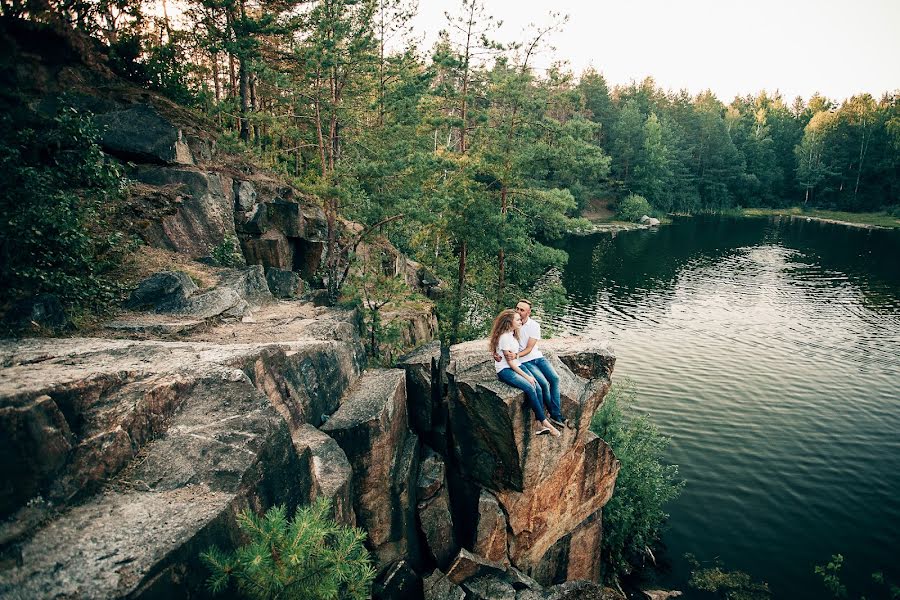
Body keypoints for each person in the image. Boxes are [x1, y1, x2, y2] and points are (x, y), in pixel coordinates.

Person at [488, 309, 561, 437]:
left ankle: (539, 424)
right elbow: (510, 363)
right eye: (517, 319)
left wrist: (496, 352)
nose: (520, 321)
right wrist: (527, 376)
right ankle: (544, 422)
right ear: (509, 322)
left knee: (537, 386)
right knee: (530, 387)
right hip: (505, 370)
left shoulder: (512, 333)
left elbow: (511, 354)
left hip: (518, 364)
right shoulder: (505, 337)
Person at [512, 299, 566, 429]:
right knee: (542, 384)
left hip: (536, 357)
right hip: (525, 361)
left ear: (529, 312)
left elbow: (529, 348)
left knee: (555, 379)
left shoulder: (534, 326)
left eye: (522, 310)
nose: (518, 311)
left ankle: (554, 412)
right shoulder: (513, 324)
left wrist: (516, 355)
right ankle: (555, 415)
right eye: (517, 308)